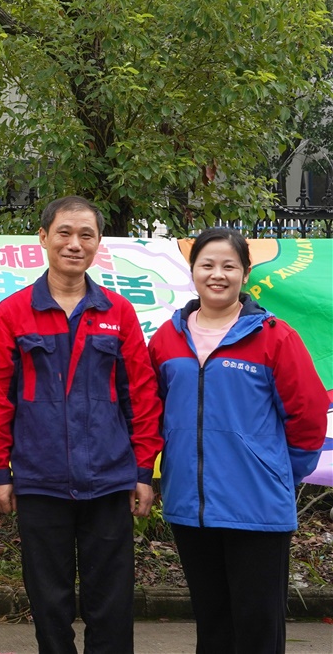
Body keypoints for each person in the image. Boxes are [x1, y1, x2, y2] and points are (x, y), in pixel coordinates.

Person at [0, 195, 163, 654]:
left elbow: (141, 396)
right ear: (43, 238)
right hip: (40, 481)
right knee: (49, 602)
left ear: (99, 243)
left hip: (108, 480)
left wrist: (143, 471)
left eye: (86, 235)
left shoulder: (118, 312)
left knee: (112, 603)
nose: (74, 244)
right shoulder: (13, 312)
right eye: (64, 233)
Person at [148, 227, 327, 654]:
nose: (218, 274)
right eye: (207, 265)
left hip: (257, 507)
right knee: (212, 626)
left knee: (257, 629)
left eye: (229, 266)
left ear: (245, 274)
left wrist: (277, 472)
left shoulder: (274, 336)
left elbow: (307, 415)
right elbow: (151, 411)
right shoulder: (167, 339)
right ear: (193, 271)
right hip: (191, 508)